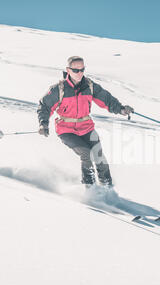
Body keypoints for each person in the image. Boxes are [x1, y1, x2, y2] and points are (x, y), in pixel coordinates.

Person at [37, 56, 133, 188]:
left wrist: (121, 109)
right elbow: (45, 106)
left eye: (82, 69)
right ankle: (90, 189)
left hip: (86, 128)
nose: (80, 73)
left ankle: (108, 188)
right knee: (86, 153)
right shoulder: (59, 89)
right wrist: (43, 124)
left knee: (99, 156)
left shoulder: (89, 86)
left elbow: (106, 100)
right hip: (66, 130)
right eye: (76, 70)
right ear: (68, 70)